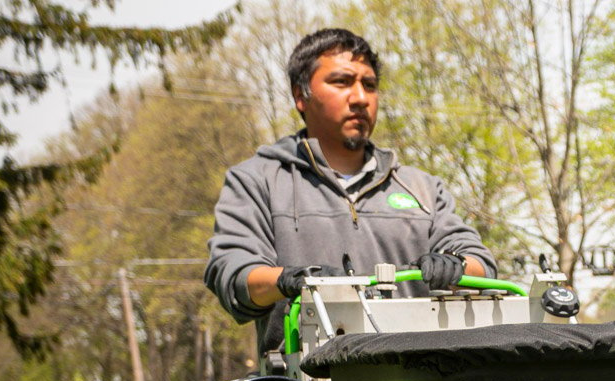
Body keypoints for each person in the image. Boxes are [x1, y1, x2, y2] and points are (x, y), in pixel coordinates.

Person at [204, 28, 497, 355]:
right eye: (341, 82)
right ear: (300, 96)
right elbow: (234, 275)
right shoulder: (258, 180)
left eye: (369, 85)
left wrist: (455, 267)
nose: (360, 97)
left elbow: (480, 265)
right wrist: (288, 279)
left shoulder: (421, 188)